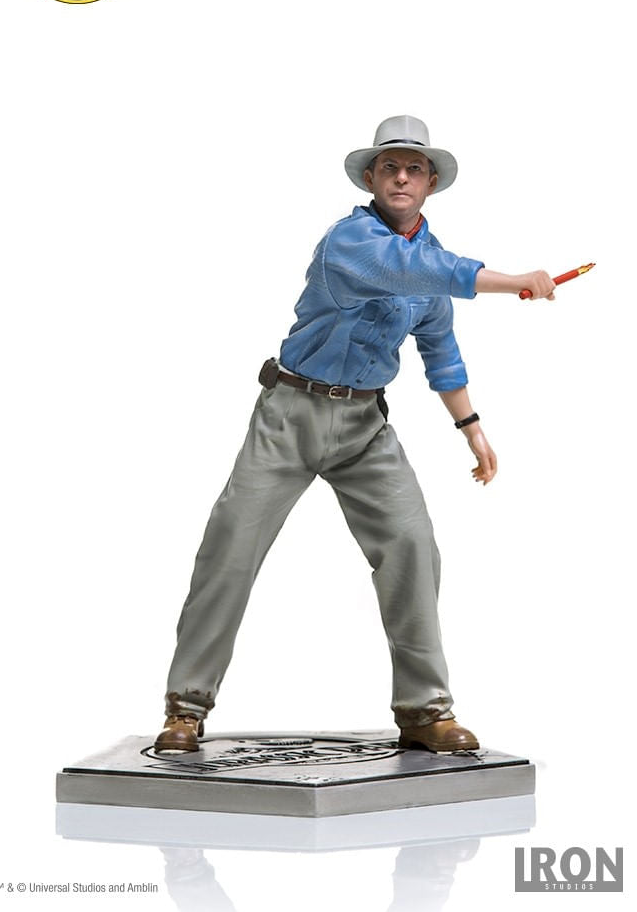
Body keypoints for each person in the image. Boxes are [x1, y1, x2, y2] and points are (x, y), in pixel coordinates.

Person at [154, 116, 555, 754]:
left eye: (415, 169)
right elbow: (415, 270)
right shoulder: (351, 240)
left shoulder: (431, 265)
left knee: (413, 546)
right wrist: (516, 282)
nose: (402, 177)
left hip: (365, 424)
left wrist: (471, 427)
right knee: (230, 547)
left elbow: (440, 350)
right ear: (371, 177)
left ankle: (425, 711)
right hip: (290, 413)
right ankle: (186, 706)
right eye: (390, 166)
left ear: (430, 184)